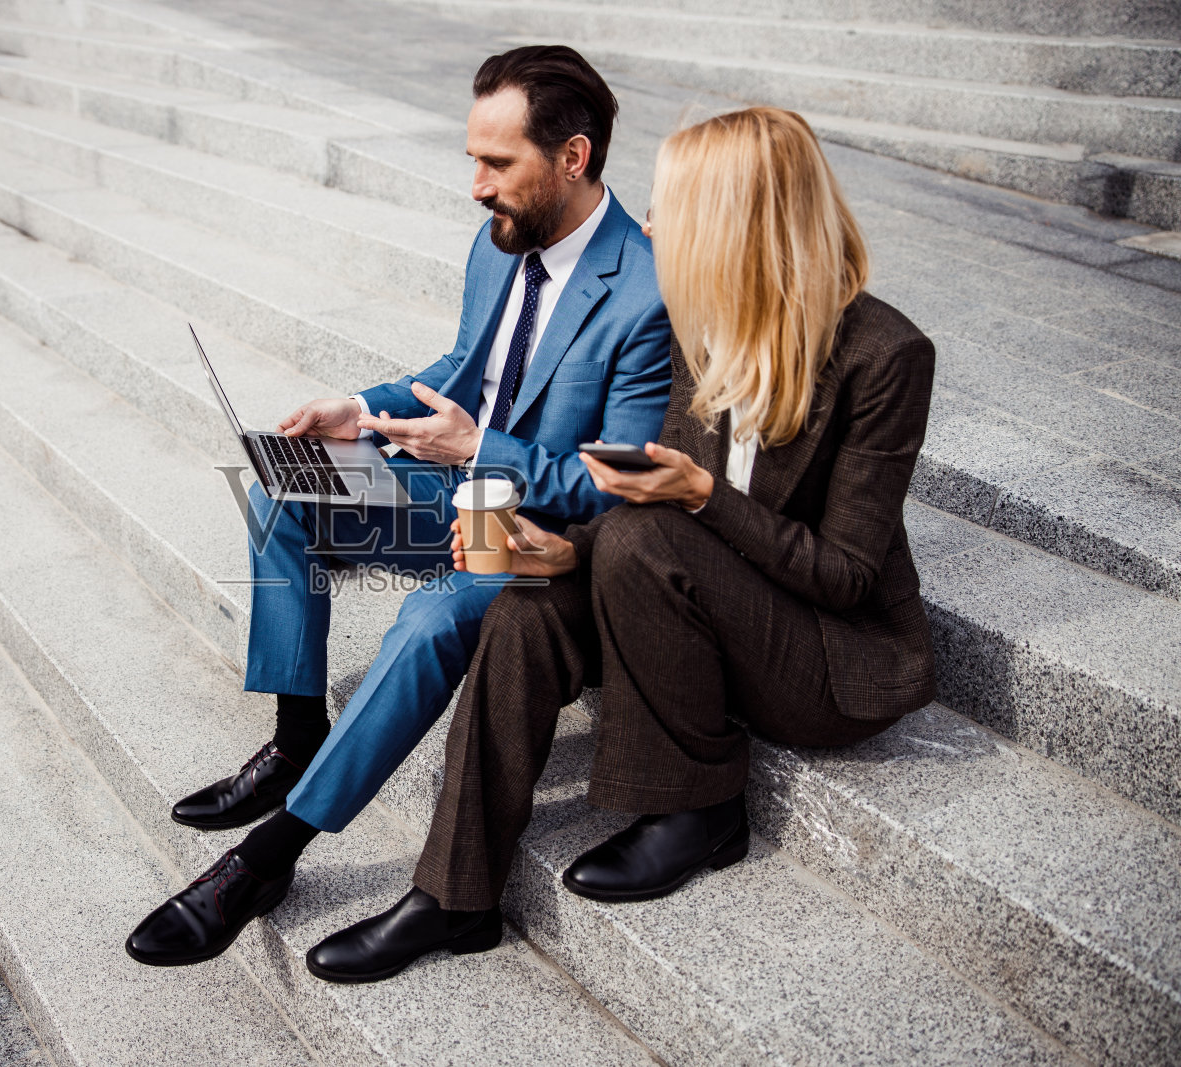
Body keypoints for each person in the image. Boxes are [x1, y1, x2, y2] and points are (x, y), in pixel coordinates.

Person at [304, 106, 938, 984]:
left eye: (673, 209)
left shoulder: (886, 354)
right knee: (527, 606)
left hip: (823, 656)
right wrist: (566, 554)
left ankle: (701, 804)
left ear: (735, 222)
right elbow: (638, 506)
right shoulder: (697, 323)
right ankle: (453, 896)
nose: (649, 226)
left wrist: (703, 495)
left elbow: (845, 575)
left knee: (645, 535)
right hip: (686, 595)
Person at [126, 46, 674, 967]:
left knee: (427, 621)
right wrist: (364, 412)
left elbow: (619, 477)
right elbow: (463, 371)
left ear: (572, 159)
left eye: (497, 163)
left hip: (537, 528)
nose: (476, 185)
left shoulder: (648, 289)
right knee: (286, 493)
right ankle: (298, 740)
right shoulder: (500, 239)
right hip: (455, 478)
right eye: (474, 159)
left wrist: (478, 451)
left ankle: (270, 856)